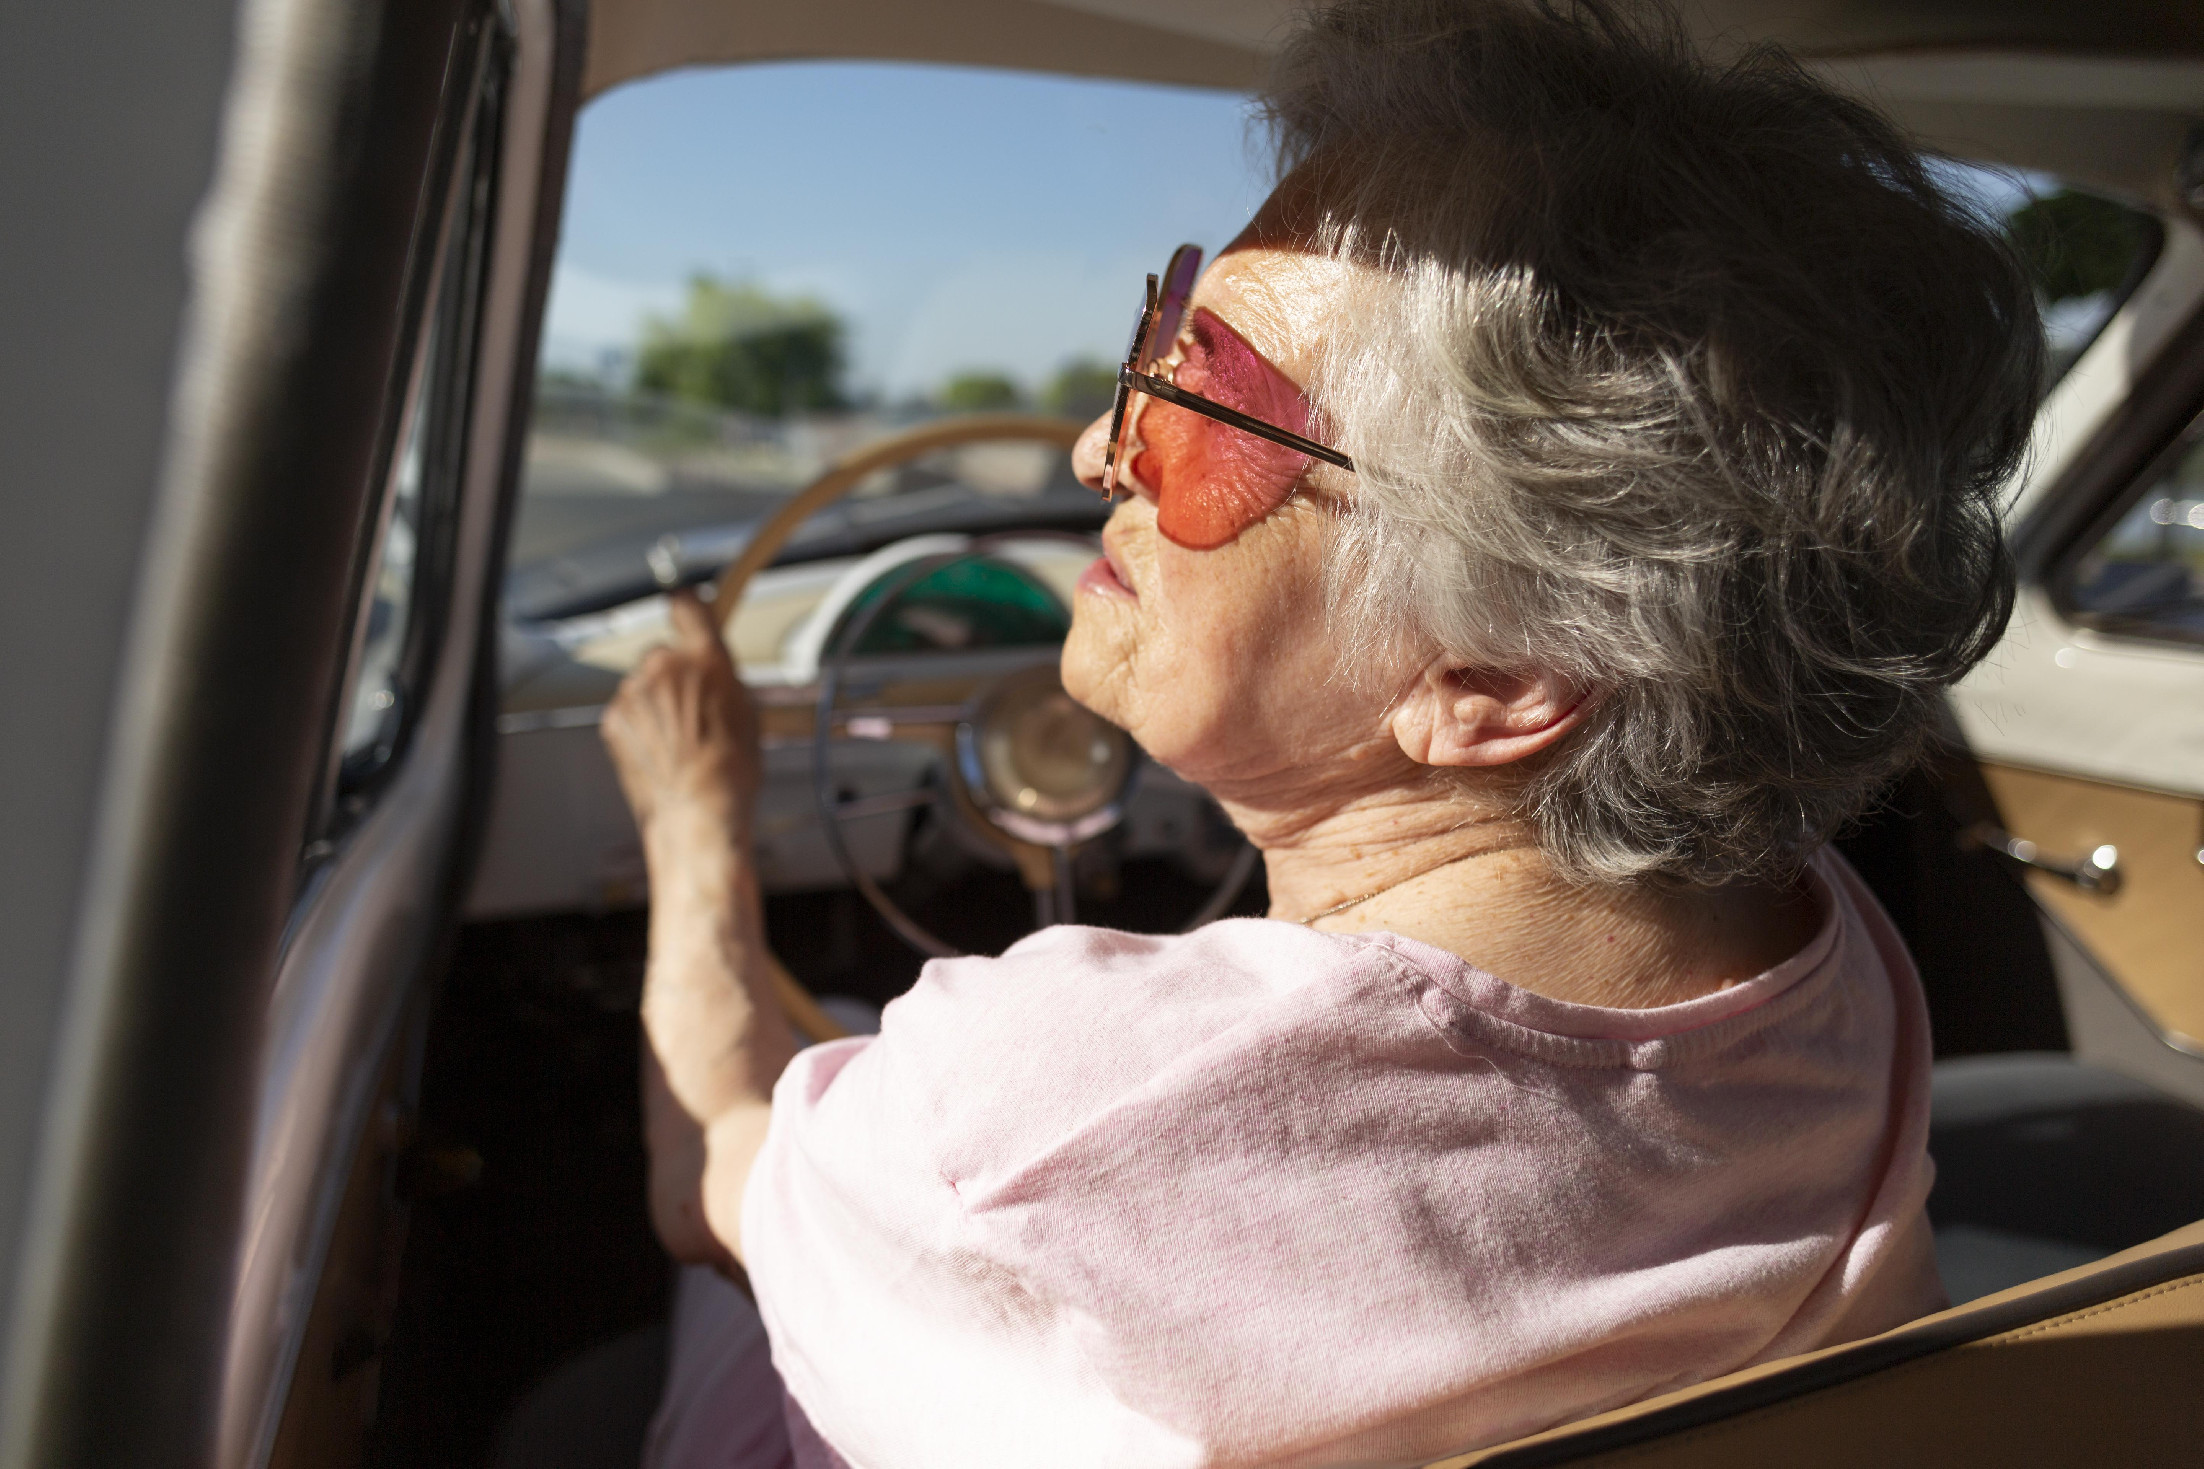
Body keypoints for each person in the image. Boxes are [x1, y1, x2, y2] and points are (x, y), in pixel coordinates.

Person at [599, 2, 2042, 1464]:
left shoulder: (1024, 1116)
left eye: (1206, 402)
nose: (1100, 451)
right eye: (1153, 341)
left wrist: (689, 816)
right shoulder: (1825, 957)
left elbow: (706, 1160)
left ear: (1494, 676)